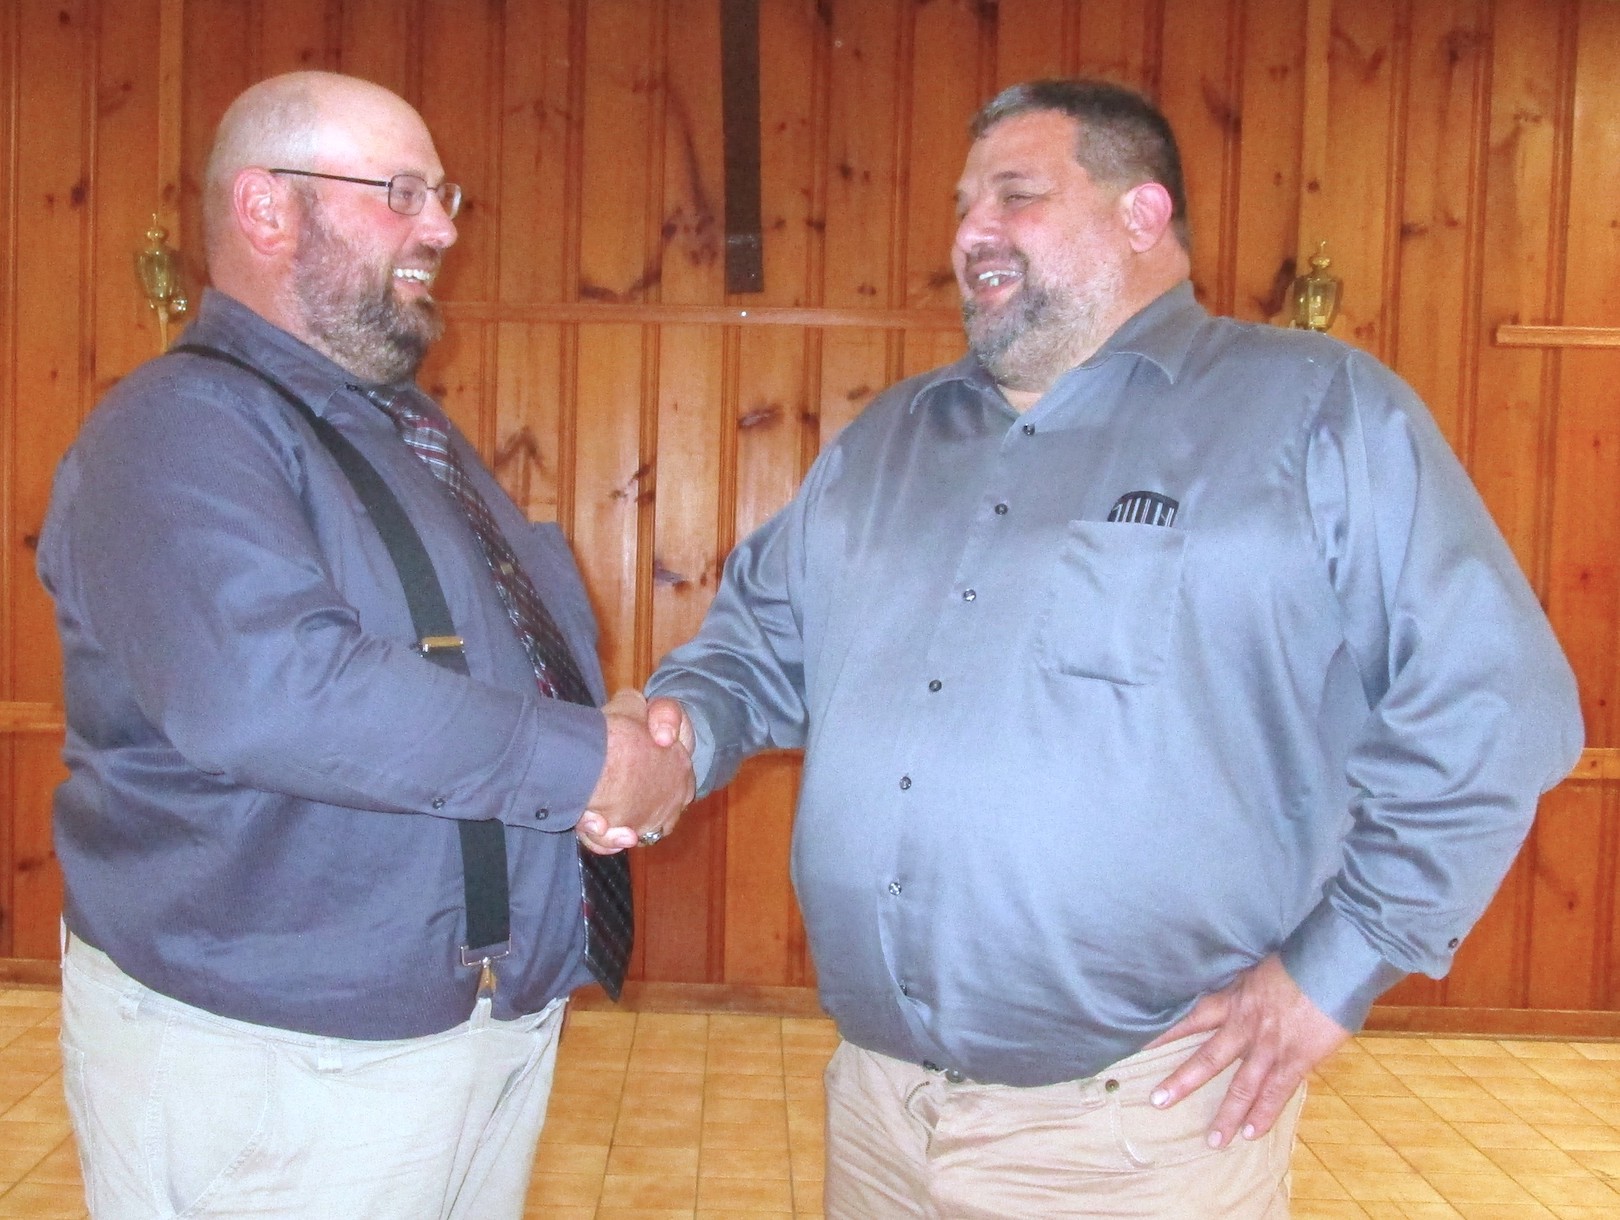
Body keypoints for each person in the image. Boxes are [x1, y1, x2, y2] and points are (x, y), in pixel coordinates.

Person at [642, 78, 1584, 1217]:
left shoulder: (1316, 411)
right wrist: (675, 733)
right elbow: (757, 650)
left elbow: (1495, 702)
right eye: (962, 205)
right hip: (881, 1116)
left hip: (1140, 1137)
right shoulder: (888, 440)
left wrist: (1334, 968)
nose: (970, 232)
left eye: (1016, 195)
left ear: (1143, 214)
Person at [38, 71, 691, 1219]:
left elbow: (497, 647)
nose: (440, 227)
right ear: (266, 207)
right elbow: (277, 692)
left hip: (461, 1035)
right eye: (399, 193)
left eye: (444, 196)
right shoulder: (175, 427)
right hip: (279, 1061)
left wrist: (618, 719)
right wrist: (589, 761)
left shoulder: (405, 430)